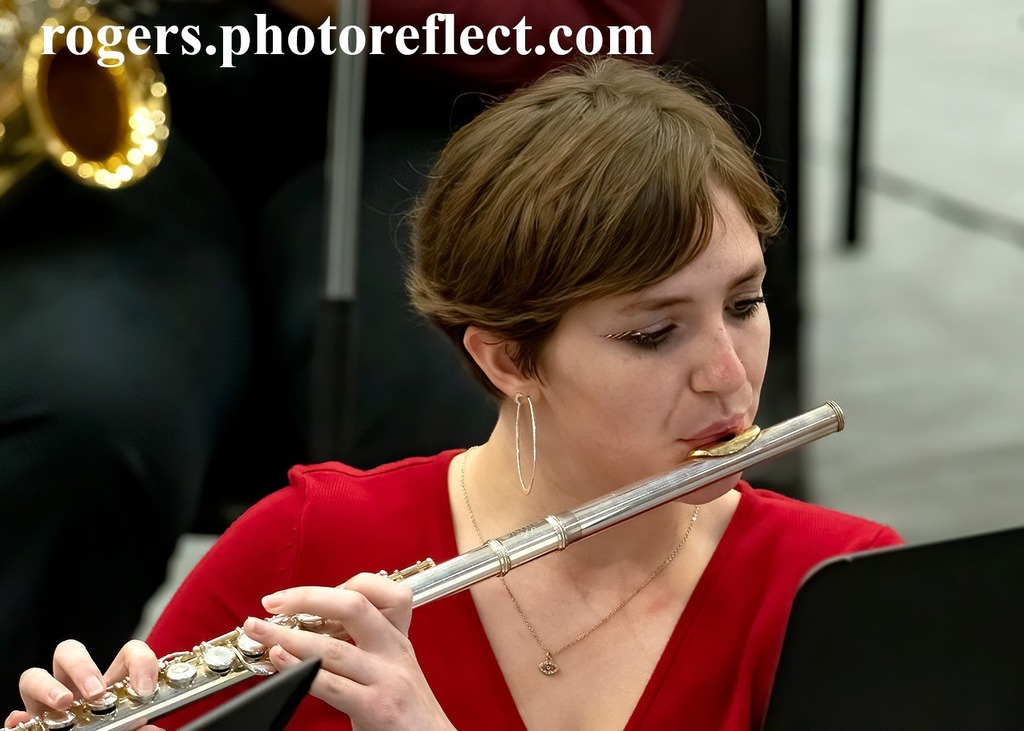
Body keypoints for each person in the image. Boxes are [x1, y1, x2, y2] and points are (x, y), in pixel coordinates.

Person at [5, 57, 901, 731]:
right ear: (508, 358)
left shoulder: (844, 588)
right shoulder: (305, 548)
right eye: (654, 333)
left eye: (744, 304)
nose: (730, 371)